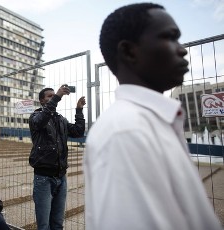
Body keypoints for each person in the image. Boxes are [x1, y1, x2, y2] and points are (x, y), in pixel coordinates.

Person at [84, 3, 223, 230]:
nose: (183, 49)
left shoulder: (149, 121)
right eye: (170, 37)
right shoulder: (126, 131)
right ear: (129, 51)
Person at [29, 85, 86, 230]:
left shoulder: (61, 119)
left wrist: (79, 110)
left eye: (53, 95)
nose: (52, 97)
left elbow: (78, 132)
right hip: (43, 178)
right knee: (44, 225)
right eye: (49, 96)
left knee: (57, 223)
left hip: (61, 177)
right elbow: (42, 119)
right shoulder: (35, 117)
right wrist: (58, 96)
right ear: (42, 101)